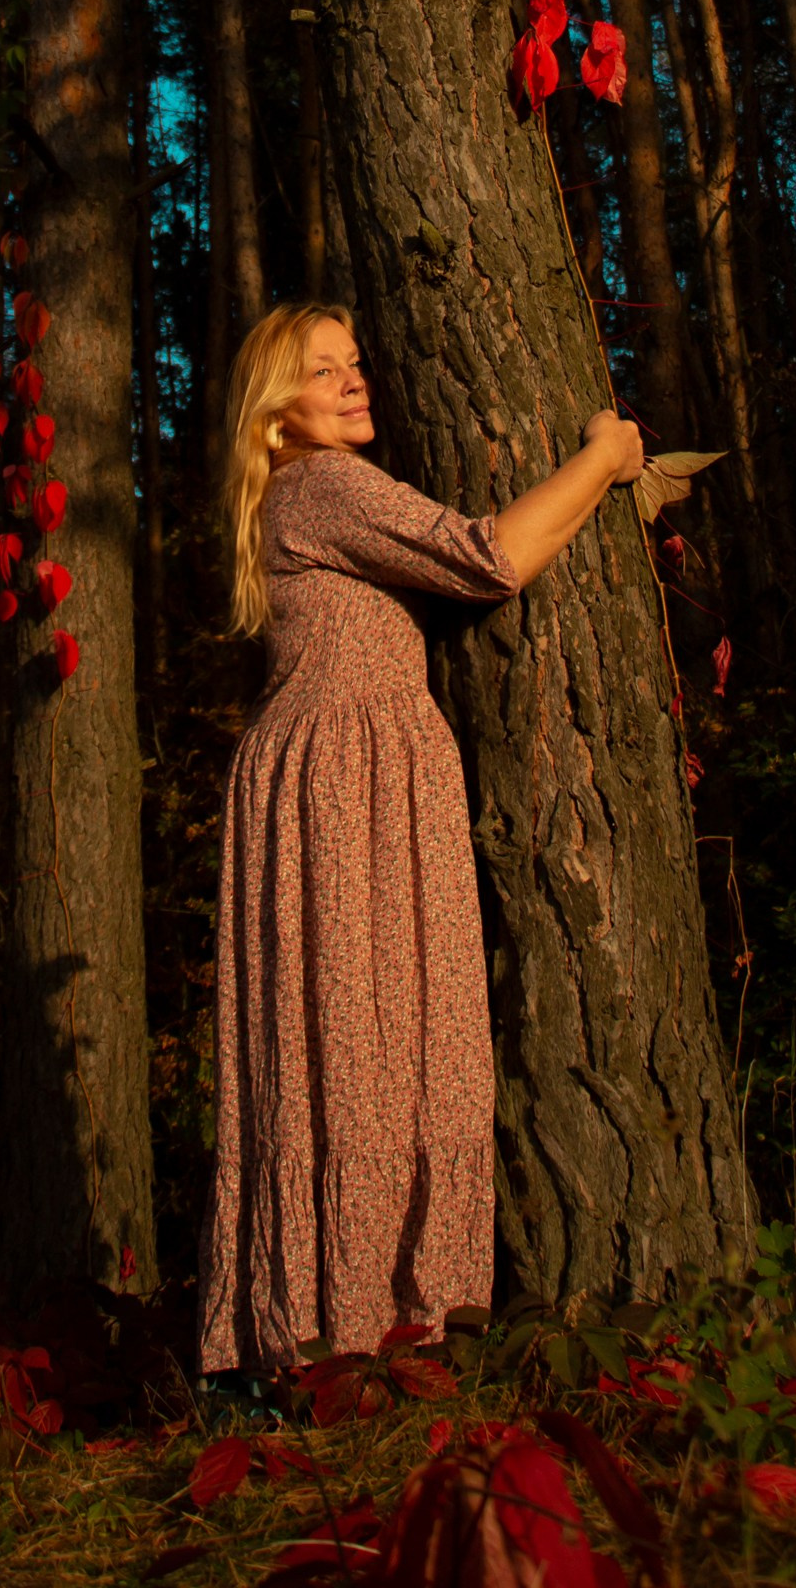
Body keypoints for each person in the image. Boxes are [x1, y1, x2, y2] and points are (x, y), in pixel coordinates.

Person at [196, 300, 646, 1376]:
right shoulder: (322, 487)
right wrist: (604, 455)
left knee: (361, 1038)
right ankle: (365, 1315)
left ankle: (334, 1307)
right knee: (369, 1037)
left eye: (354, 362)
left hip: (339, 775)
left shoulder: (298, 498)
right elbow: (489, 557)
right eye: (322, 371)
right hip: (345, 780)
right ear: (273, 417)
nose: (355, 381)